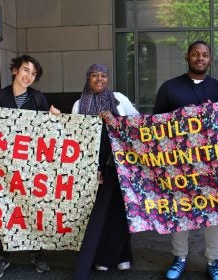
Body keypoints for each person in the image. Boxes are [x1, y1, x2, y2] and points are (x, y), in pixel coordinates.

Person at [153, 40, 218, 280]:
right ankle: (179, 258)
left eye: (205, 54)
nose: (200, 58)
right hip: (178, 164)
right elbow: (156, 126)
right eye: (196, 54)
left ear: (210, 59)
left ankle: (214, 261)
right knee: (180, 211)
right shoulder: (169, 88)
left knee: (214, 213)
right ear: (187, 56)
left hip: (212, 166)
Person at [0, 54, 59, 279]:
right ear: (15, 70)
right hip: (3, 165)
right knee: (2, 208)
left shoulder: (38, 99)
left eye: (33, 73)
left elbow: (46, 132)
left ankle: (37, 253)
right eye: (25, 70)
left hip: (31, 164)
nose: (29, 76)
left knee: (33, 207)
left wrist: (52, 118)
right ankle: (2, 256)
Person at [72, 63, 139, 280]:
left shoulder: (119, 99)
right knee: (96, 215)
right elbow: (72, 138)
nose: (99, 79)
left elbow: (137, 124)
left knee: (119, 212)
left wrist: (114, 119)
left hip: (119, 167)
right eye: (94, 75)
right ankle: (100, 258)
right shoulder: (78, 104)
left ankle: (121, 256)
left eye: (103, 75)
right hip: (92, 169)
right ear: (87, 78)